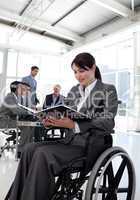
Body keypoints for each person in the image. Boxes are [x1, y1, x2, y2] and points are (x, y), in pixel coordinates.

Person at [5, 53, 118, 200]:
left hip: (89, 144)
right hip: (68, 141)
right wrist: (51, 121)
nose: (78, 76)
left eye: (82, 71)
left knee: (43, 154)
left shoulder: (107, 90)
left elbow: (108, 121)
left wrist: (76, 125)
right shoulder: (74, 90)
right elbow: (65, 115)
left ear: (93, 68)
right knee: (28, 149)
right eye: (75, 72)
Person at [0, 81, 35, 154]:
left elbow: (21, 109)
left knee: (31, 125)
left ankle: (28, 148)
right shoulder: (10, 97)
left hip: (11, 120)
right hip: (5, 122)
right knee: (27, 126)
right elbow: (16, 111)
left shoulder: (15, 97)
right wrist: (31, 112)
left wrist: (31, 110)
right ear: (16, 89)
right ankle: (21, 150)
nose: (23, 90)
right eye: (21, 88)